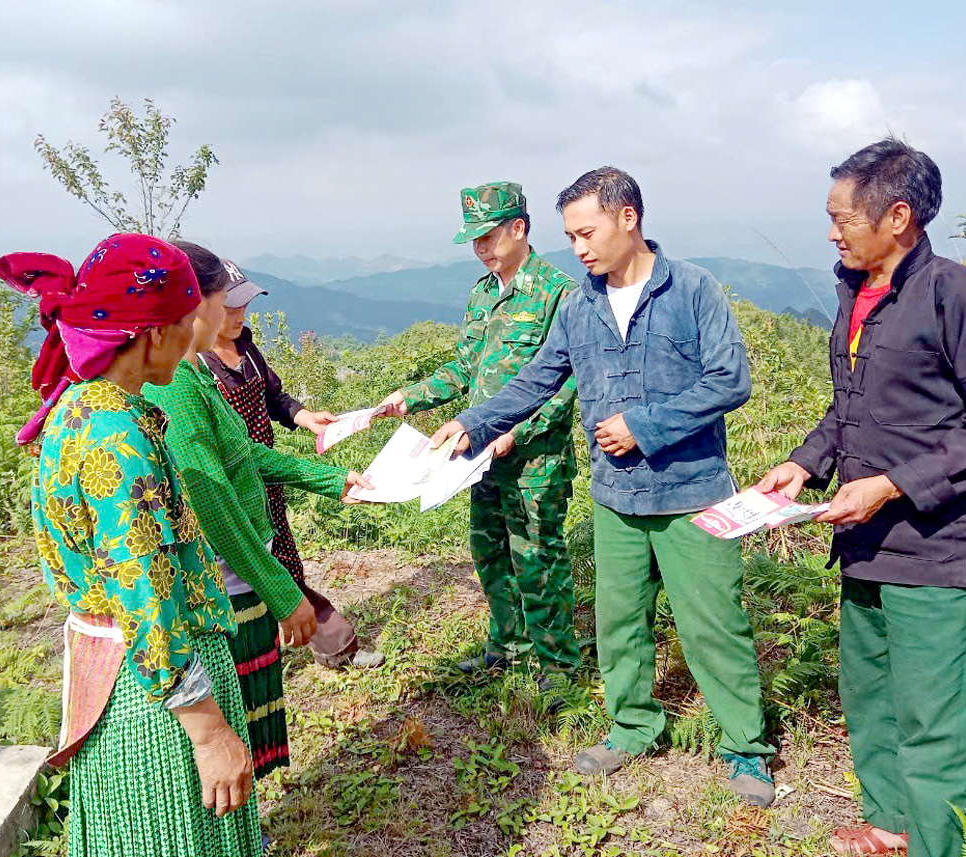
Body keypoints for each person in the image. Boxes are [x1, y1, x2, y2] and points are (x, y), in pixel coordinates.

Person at [431, 167, 775, 806]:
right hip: (616, 495)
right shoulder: (580, 304)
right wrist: (471, 423)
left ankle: (745, 750)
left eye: (587, 232)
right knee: (620, 622)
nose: (580, 248)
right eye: (571, 237)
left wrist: (644, 425)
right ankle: (633, 725)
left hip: (691, 492)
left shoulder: (694, 290)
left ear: (629, 218)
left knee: (711, 624)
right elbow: (537, 379)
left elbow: (730, 381)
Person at [756, 138, 966, 857]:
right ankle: (888, 823)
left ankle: (938, 843)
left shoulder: (961, 296)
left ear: (897, 215)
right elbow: (851, 408)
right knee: (871, 697)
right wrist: (802, 465)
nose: (833, 231)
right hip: (864, 543)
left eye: (843, 217)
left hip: (937, 550)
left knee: (934, 719)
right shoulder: (856, 291)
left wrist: (893, 485)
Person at [0, 233, 262, 856]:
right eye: (184, 318)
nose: (197, 328)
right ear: (149, 334)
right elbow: (143, 590)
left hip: (113, 679)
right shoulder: (120, 438)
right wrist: (208, 729)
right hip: (155, 703)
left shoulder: (81, 406)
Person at [142, 243, 372, 787]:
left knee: (252, 700)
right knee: (236, 708)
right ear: (192, 305)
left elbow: (245, 452)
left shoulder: (195, 371)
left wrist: (331, 478)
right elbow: (213, 501)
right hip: (229, 569)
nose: (232, 317)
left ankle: (245, 821)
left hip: (248, 551)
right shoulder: (176, 387)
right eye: (224, 303)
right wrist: (281, 591)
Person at [377, 181, 582, 692]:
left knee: (537, 556)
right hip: (476, 455)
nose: (482, 249)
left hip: (535, 459)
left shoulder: (559, 293)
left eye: (489, 237)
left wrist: (518, 430)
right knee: (490, 553)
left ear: (519, 228)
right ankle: (507, 647)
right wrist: (411, 397)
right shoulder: (483, 293)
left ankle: (557, 666)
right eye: (474, 241)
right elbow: (467, 367)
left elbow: (569, 381)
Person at [201, 258, 385, 675]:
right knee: (257, 571)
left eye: (243, 306)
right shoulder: (195, 372)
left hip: (268, 479)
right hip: (228, 487)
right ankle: (324, 643)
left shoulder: (245, 348)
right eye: (228, 307)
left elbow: (275, 399)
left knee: (283, 560)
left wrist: (305, 417)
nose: (238, 316)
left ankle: (309, 643)